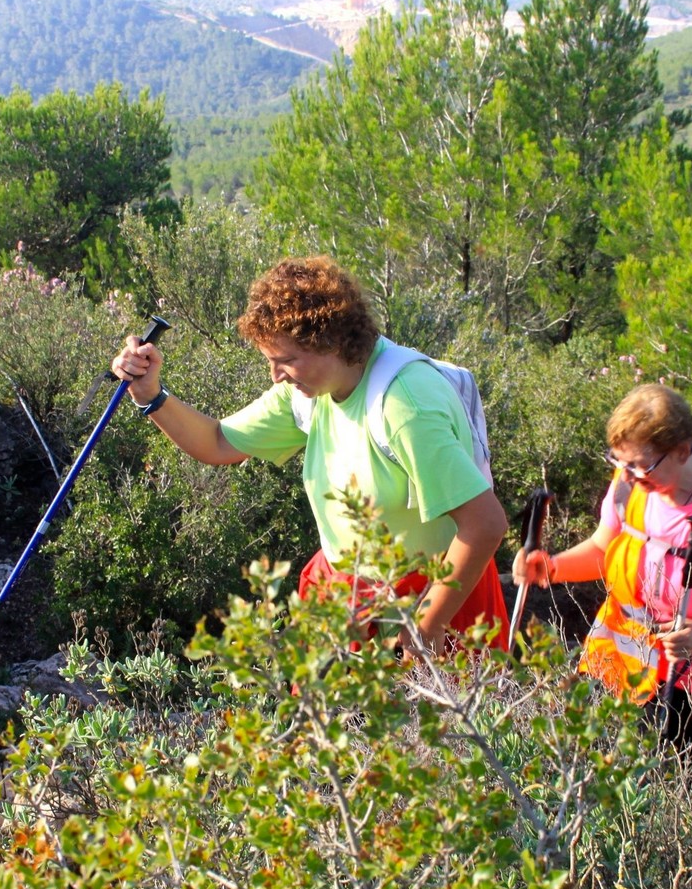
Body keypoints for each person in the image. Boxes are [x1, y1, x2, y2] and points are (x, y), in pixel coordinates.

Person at [112, 256, 509, 654]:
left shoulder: (405, 405)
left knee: (440, 699)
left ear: (331, 341)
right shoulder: (310, 393)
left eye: (286, 361)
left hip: (441, 600)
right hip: (349, 600)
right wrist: (149, 394)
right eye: (271, 361)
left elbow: (484, 524)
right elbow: (217, 441)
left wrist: (426, 625)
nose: (276, 376)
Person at [512, 384, 692, 760]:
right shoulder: (629, 483)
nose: (629, 476)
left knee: (688, 773)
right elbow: (603, 549)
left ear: (682, 451)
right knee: (598, 761)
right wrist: (552, 567)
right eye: (619, 461)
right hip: (623, 652)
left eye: (642, 465)